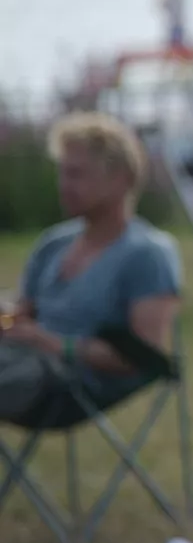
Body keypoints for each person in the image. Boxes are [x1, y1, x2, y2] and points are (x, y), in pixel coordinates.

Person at [1, 113, 182, 427]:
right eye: (62, 173)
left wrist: (54, 343)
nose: (63, 185)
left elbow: (144, 358)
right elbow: (21, 314)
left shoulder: (146, 255)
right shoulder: (53, 243)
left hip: (73, 384)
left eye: (76, 174)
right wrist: (7, 317)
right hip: (21, 361)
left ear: (120, 179)